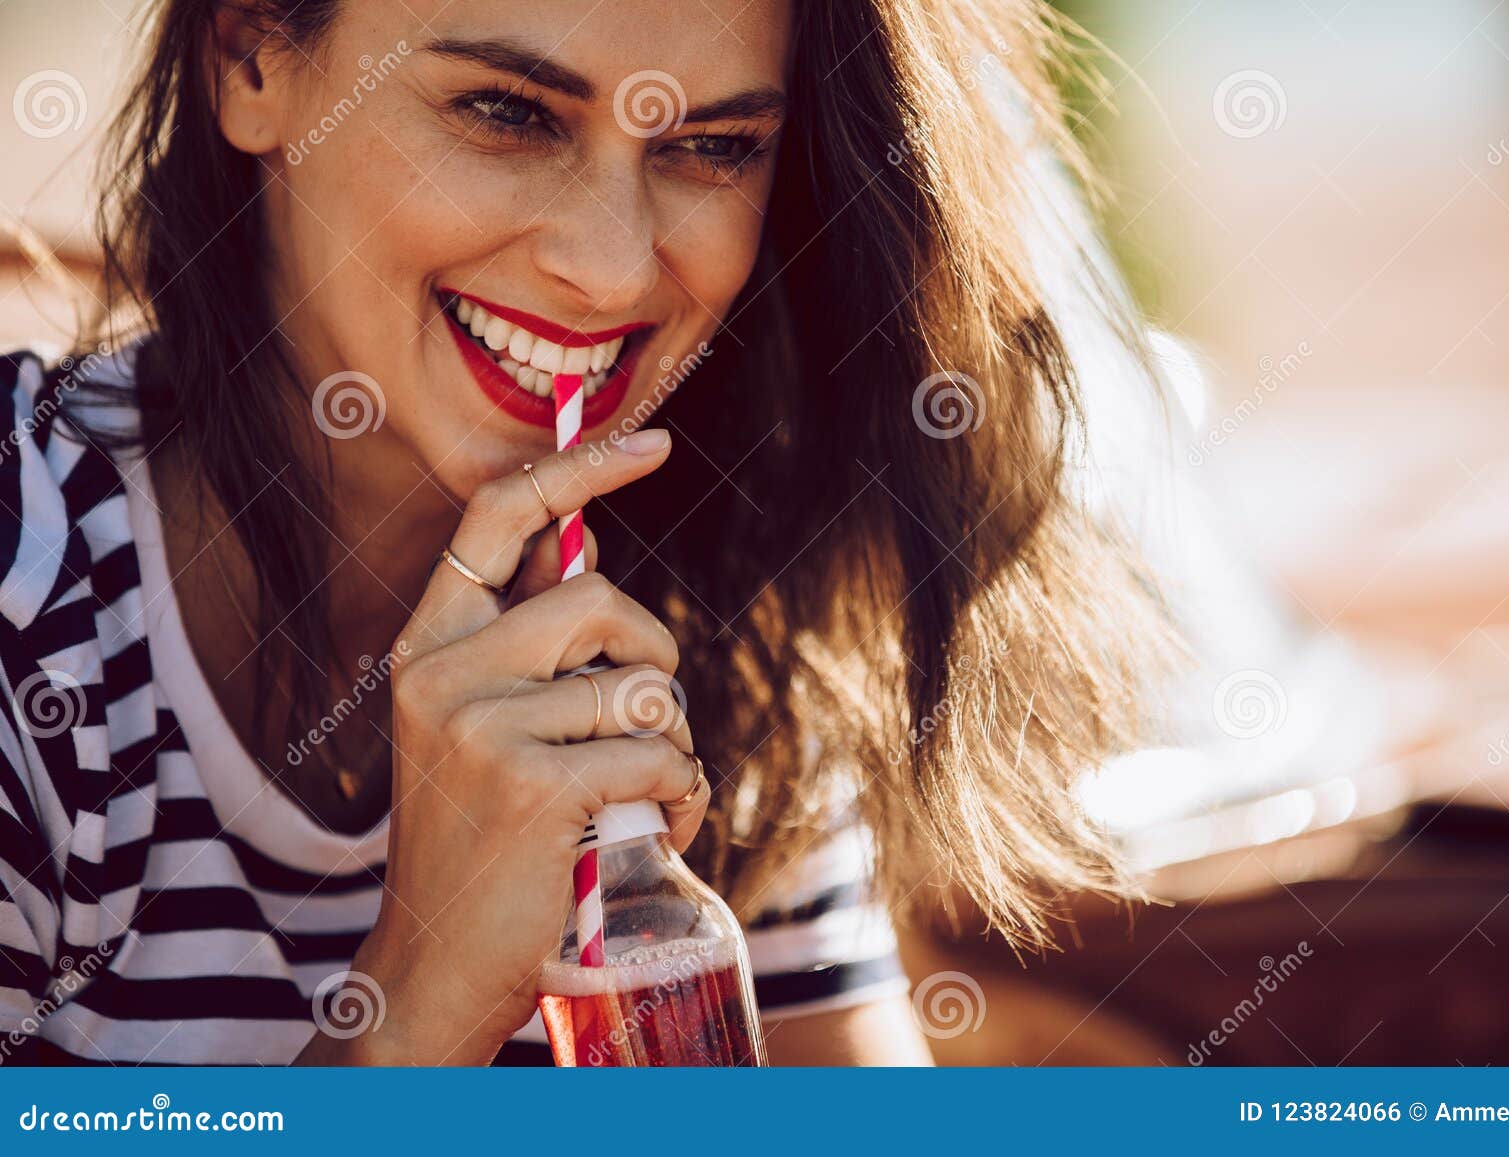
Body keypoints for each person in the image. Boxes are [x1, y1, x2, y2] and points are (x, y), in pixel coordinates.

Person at [0, 0, 1169, 1065]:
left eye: (713, 147)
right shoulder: (26, 597)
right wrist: (415, 998)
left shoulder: (725, 633)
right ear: (253, 56)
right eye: (507, 112)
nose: (610, 270)